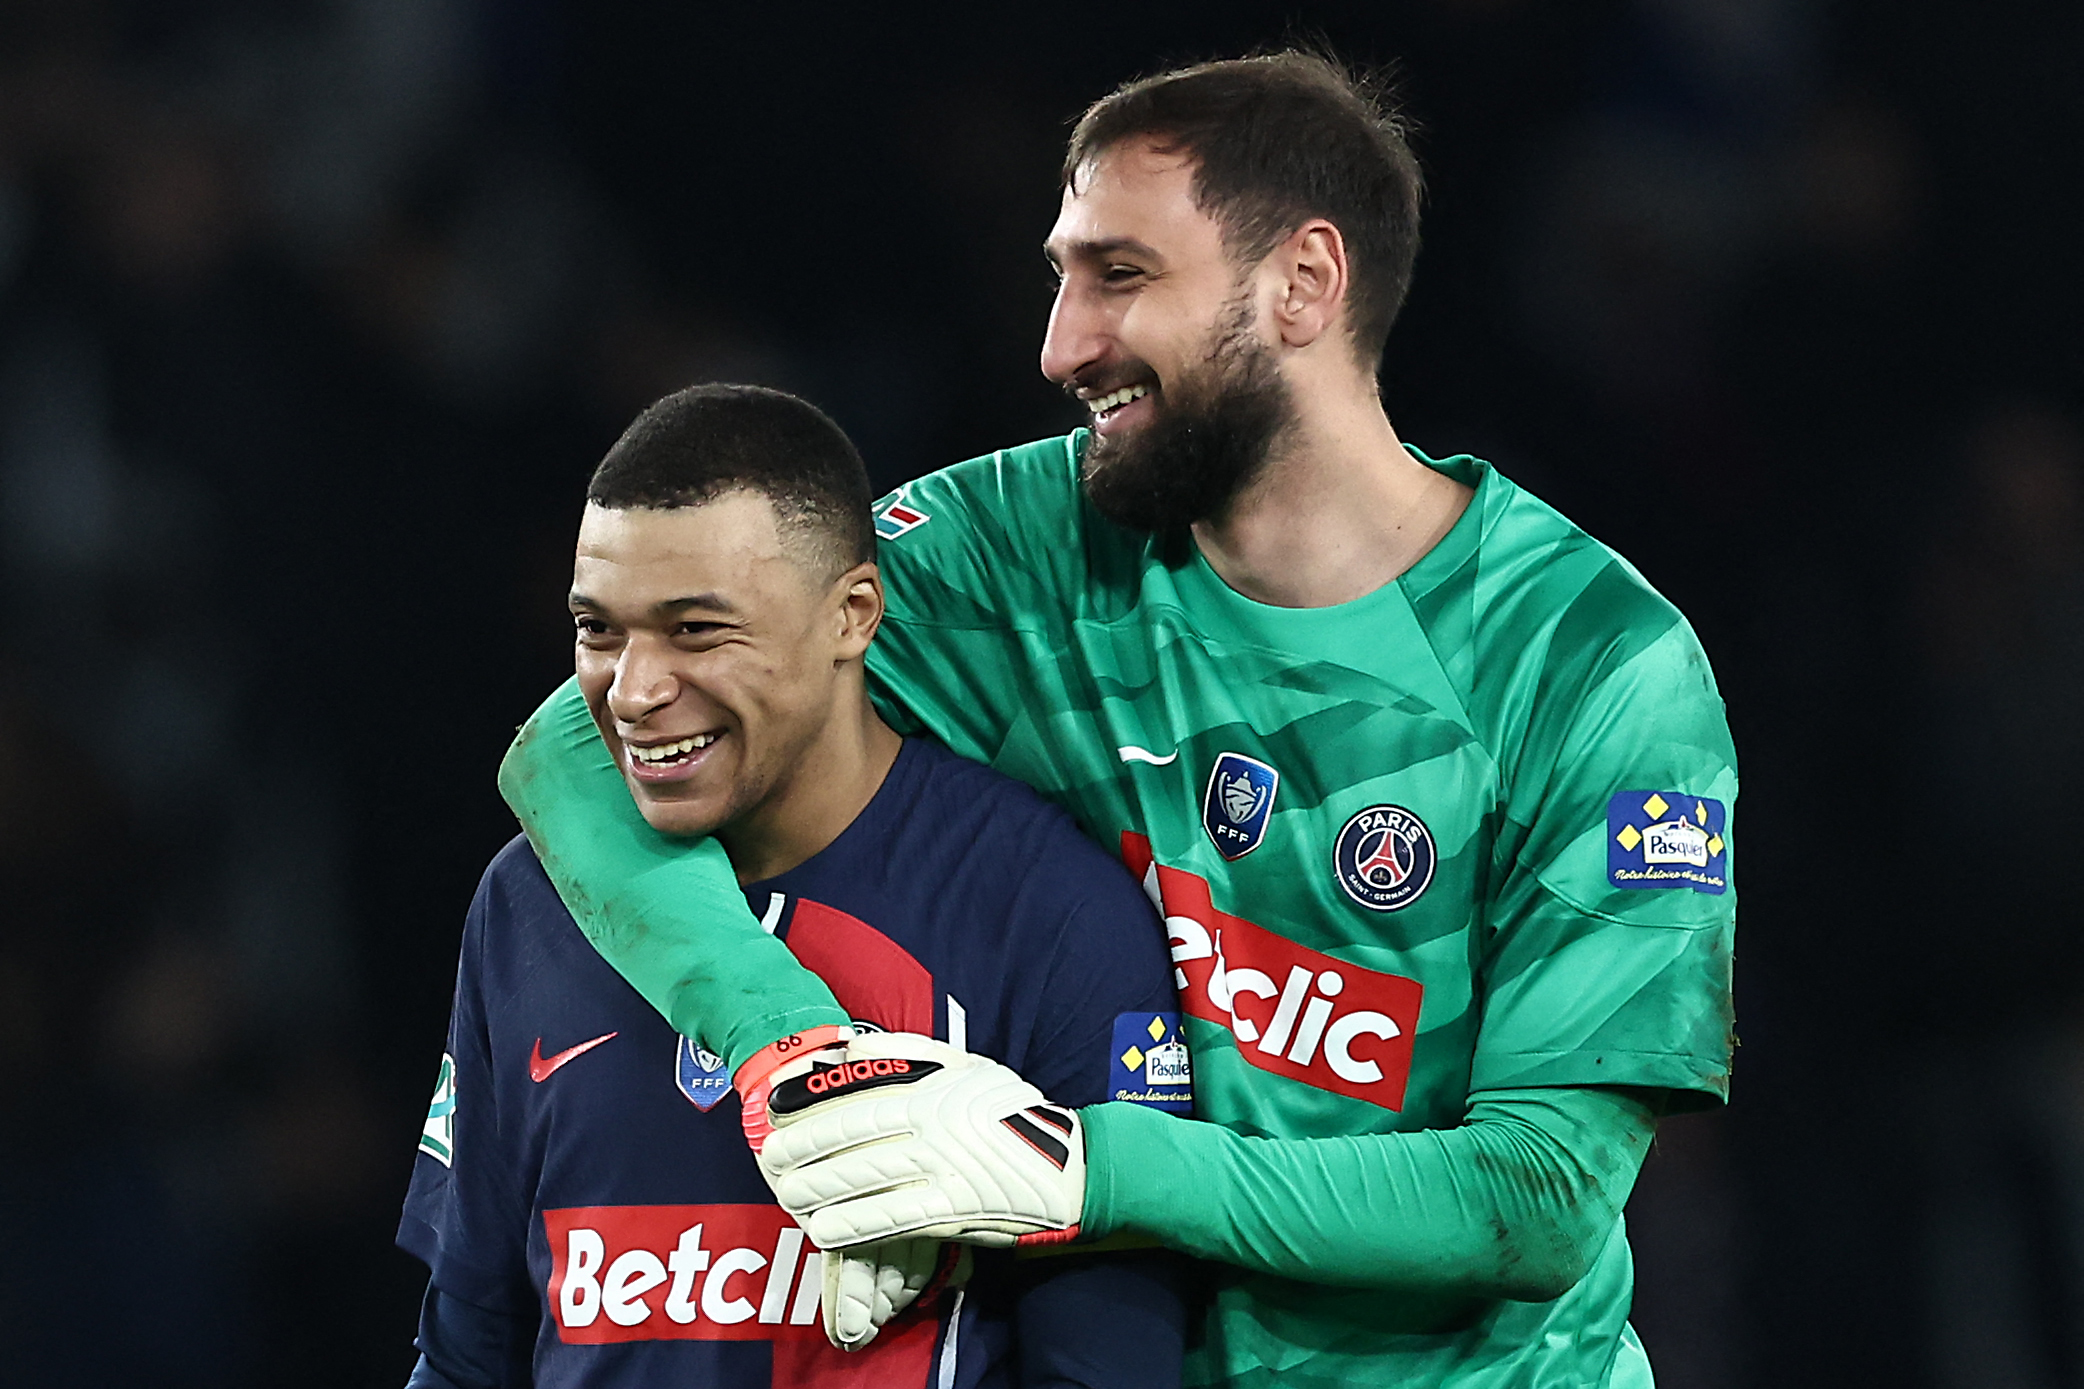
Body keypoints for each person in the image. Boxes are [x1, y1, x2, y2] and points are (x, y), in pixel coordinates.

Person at [500, 51, 1737, 1388]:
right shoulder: (1024, 550)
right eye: (1059, 276)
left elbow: (1542, 1193)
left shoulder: (1595, 660)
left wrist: (1081, 1168)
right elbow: (584, 739)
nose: (1061, 344)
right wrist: (793, 1050)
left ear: (1302, 284)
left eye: (1121, 276)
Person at [399, 385, 1189, 1388]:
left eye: (696, 632)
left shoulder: (1051, 917)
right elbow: (470, 1349)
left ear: (851, 617)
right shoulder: (531, 901)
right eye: (598, 631)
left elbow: (1105, 1369)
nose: (634, 692)